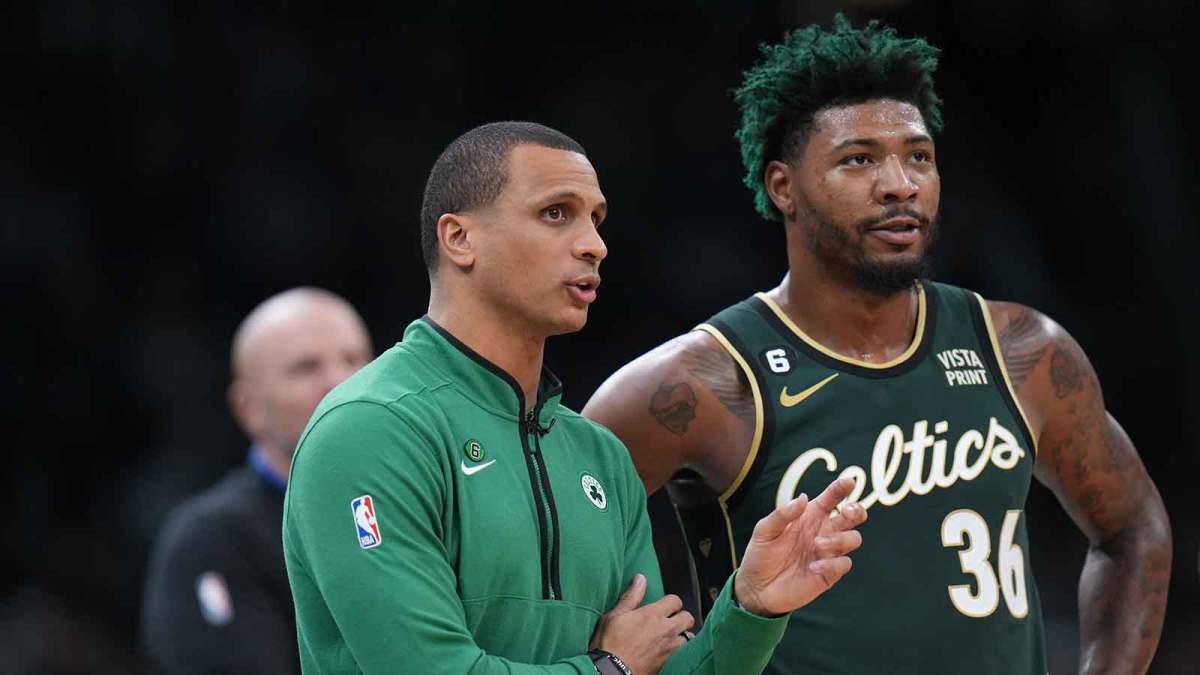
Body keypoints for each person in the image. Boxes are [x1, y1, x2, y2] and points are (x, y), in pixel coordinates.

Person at [583, 16, 1172, 675]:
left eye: (919, 156)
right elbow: (536, 558)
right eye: (858, 159)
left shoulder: (1021, 350)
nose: (900, 183)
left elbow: (1134, 530)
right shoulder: (700, 383)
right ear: (784, 187)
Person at [282, 121, 868, 675]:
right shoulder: (370, 429)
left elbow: (653, 663)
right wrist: (606, 667)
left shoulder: (601, 457)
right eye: (556, 214)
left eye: (596, 219)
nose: (594, 245)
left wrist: (749, 608)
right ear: (459, 238)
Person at [142, 287, 373, 674]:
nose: (339, 382)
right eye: (305, 368)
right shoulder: (212, 540)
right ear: (249, 409)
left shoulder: (431, 504)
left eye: (353, 360)